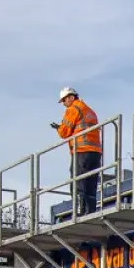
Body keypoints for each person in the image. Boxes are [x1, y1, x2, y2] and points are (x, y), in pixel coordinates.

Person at [53, 86, 103, 214]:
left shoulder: (73, 109)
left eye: (64, 100)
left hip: (82, 150)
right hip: (96, 152)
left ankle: (79, 211)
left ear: (71, 97)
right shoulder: (90, 111)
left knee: (78, 180)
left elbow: (64, 132)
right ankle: (90, 210)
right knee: (91, 182)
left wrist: (58, 128)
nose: (63, 104)